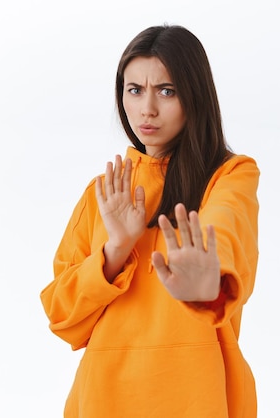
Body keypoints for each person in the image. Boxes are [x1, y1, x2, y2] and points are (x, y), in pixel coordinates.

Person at [40, 24, 259, 418]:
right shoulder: (105, 192)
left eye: (167, 91)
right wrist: (115, 250)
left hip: (196, 397)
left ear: (195, 95)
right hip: (103, 399)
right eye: (135, 90)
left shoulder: (229, 176)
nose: (147, 109)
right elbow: (62, 316)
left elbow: (223, 229)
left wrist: (207, 281)